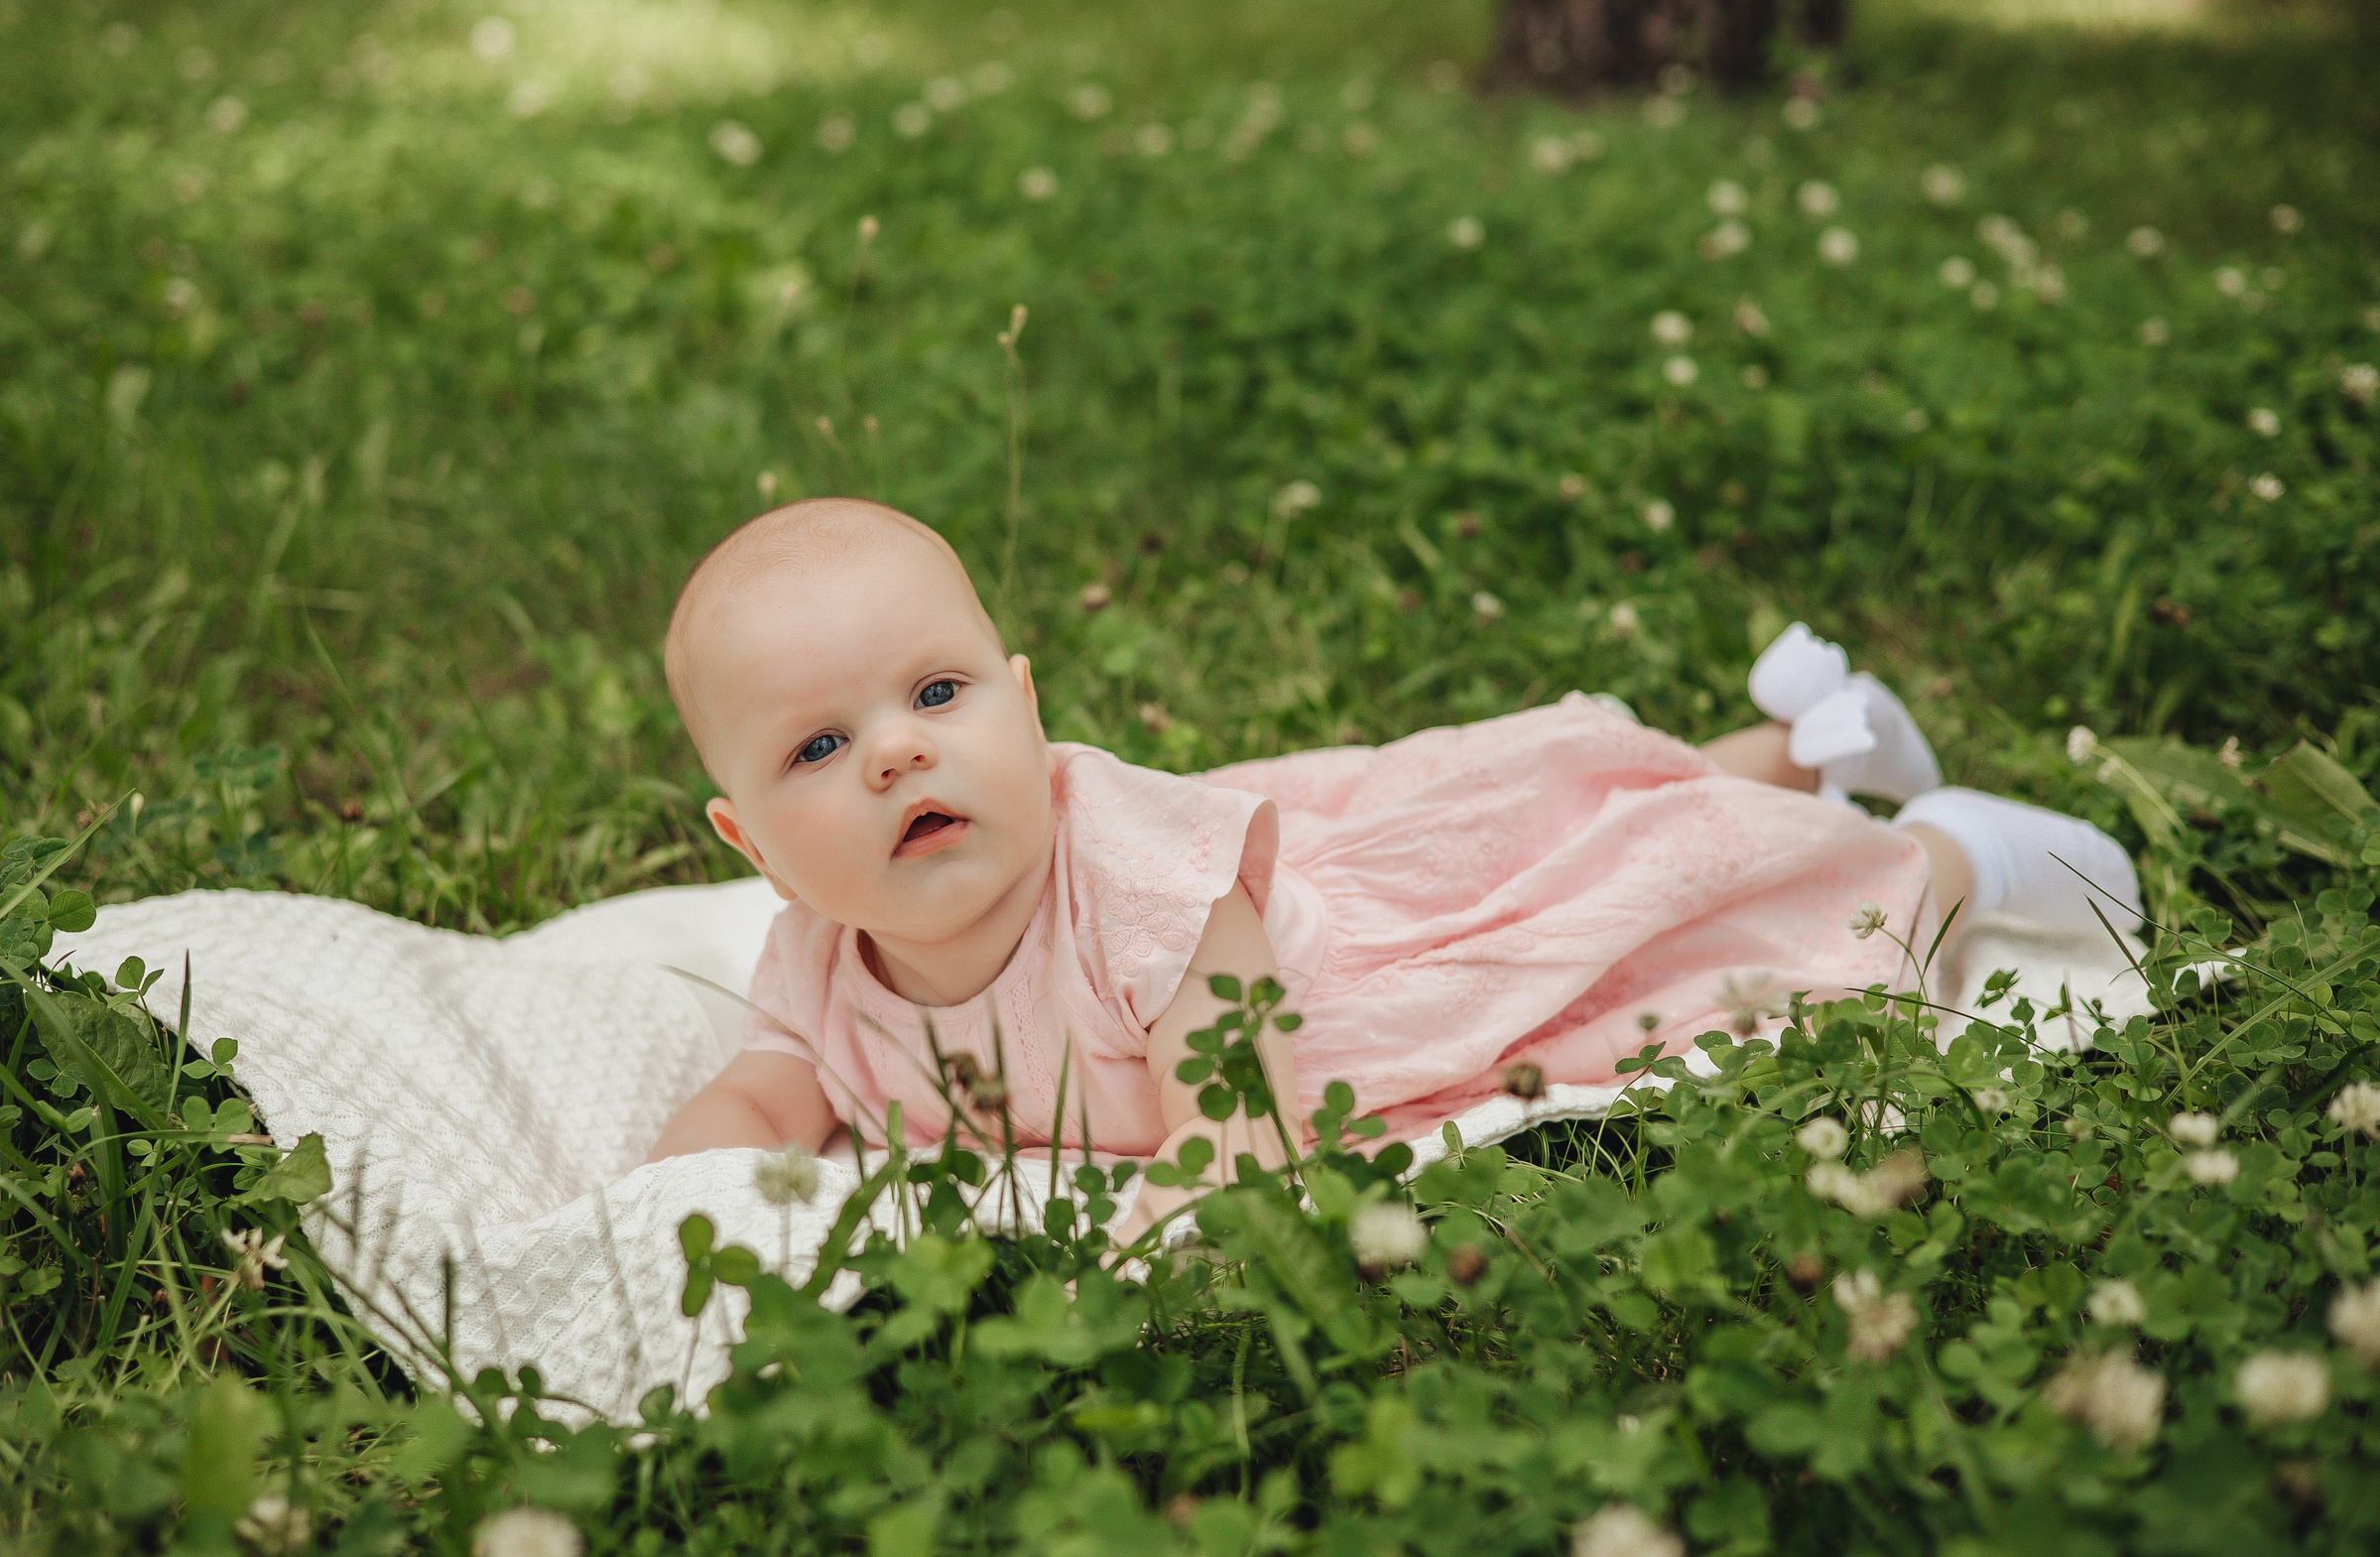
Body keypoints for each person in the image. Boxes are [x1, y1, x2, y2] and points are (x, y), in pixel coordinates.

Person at [645, 497, 2138, 1232]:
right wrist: (682, 1185)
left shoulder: (1139, 887)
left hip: (1376, 963)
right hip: (1337, 911)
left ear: (1030, 711)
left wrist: (1198, 1203)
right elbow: (776, 1085)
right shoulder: (824, 965)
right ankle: (1798, 744)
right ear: (752, 845)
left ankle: (1938, 853)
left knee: (1639, 908)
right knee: (1591, 824)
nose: (897, 753)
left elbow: (1231, 1104)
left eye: (935, 695)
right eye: (819, 752)